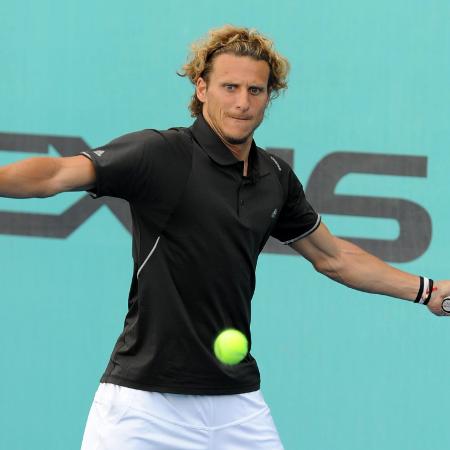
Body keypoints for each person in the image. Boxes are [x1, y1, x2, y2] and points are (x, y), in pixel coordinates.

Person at [0, 24, 449, 450]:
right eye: (228, 87)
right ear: (201, 89)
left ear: (268, 97)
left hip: (236, 405)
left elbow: (334, 258)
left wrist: (426, 291)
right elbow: (56, 172)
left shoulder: (276, 177)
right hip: (142, 405)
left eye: (255, 90)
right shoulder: (162, 154)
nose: (242, 102)